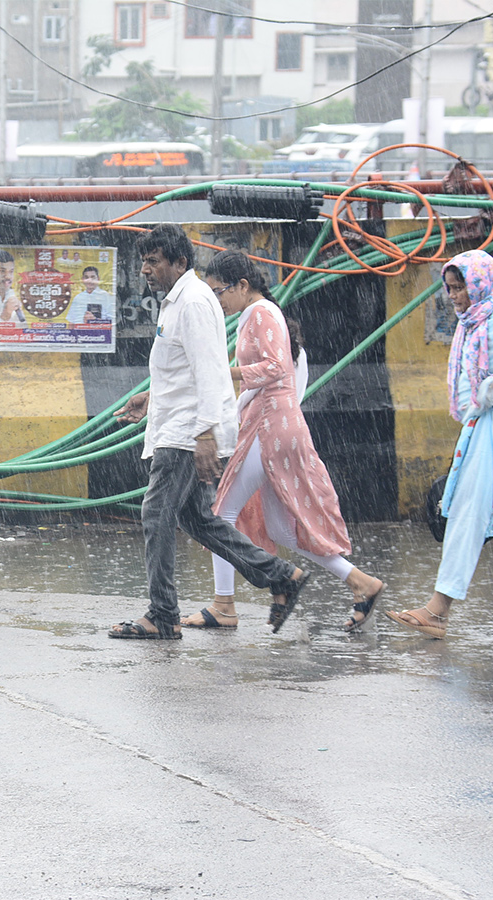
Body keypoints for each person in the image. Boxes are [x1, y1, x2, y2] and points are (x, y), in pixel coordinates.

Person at [110, 224, 308, 640]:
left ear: (180, 262)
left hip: (185, 433)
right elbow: (184, 371)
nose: (145, 269)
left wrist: (204, 437)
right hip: (177, 423)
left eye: (154, 260)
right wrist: (151, 398)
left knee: (156, 514)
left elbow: (213, 373)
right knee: (198, 519)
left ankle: (162, 614)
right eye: (143, 261)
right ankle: (279, 575)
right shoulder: (177, 301)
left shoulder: (195, 302)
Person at [185, 250, 384, 632]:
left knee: (221, 512)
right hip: (274, 424)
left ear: (243, 286)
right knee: (278, 529)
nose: (217, 300)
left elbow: (278, 367)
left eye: (220, 291)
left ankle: (223, 606)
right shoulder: (254, 315)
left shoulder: (260, 313)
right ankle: (362, 583)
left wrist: (228, 373)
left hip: (270, 426)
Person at [386, 250, 493, 639]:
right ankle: (438, 610)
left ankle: (437, 610)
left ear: (479, 283)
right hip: (491, 431)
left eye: (460, 287)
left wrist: (491, 390)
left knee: (466, 512)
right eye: (449, 288)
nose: (454, 296)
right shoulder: (475, 321)